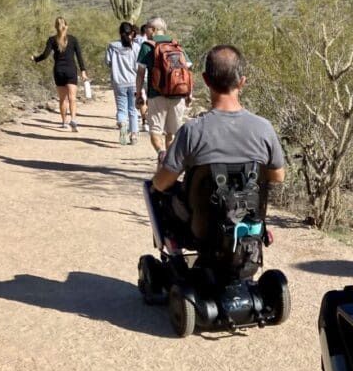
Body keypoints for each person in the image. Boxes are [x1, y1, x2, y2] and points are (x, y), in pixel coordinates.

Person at [151, 45, 285, 229]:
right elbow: (278, 176)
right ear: (242, 82)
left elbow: (161, 183)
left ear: (206, 80)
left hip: (201, 229)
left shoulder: (192, 131)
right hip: (248, 225)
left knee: (154, 190)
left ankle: (172, 249)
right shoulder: (264, 128)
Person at [136, 17, 192, 159]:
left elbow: (140, 73)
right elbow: (188, 69)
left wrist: (138, 94)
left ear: (153, 30)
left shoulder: (147, 46)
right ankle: (170, 162)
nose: (145, 30)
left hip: (156, 95)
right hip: (178, 94)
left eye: (147, 28)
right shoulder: (176, 45)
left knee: (155, 130)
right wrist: (189, 93)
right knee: (172, 133)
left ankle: (161, 154)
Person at [32, 16, 88, 132]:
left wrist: (35, 59)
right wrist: (83, 71)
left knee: (63, 99)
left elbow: (45, 55)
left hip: (58, 71)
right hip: (71, 70)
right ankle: (73, 119)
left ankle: (64, 122)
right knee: (72, 98)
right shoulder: (73, 39)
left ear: (55, 27)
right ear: (66, 26)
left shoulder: (52, 40)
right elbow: (79, 56)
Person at [105, 21, 141, 145]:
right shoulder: (136, 47)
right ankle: (134, 135)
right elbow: (139, 65)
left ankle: (122, 124)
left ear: (120, 33)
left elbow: (108, 62)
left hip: (119, 82)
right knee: (133, 109)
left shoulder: (112, 46)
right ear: (132, 33)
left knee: (121, 109)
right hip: (134, 82)